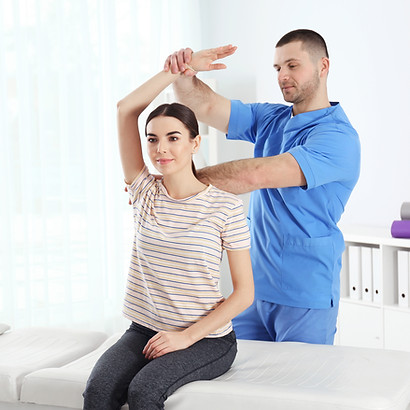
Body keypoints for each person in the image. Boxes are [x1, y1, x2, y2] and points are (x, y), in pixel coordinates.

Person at [163, 29, 361, 345]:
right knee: (237, 385)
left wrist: (175, 182)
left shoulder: (338, 138)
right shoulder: (271, 118)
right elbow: (207, 106)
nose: (283, 76)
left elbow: (258, 175)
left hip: (304, 294)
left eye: (292, 65)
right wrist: (183, 75)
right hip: (253, 291)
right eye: (277, 68)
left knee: (296, 389)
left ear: (323, 66)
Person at [83, 60, 254, 410]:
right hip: (144, 329)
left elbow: (245, 293)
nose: (162, 149)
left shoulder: (225, 208)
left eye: (173, 138)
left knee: (144, 392)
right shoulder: (144, 191)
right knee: (98, 392)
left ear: (194, 143)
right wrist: (176, 70)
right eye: (153, 139)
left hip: (206, 339)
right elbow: (125, 109)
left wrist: (185, 337)